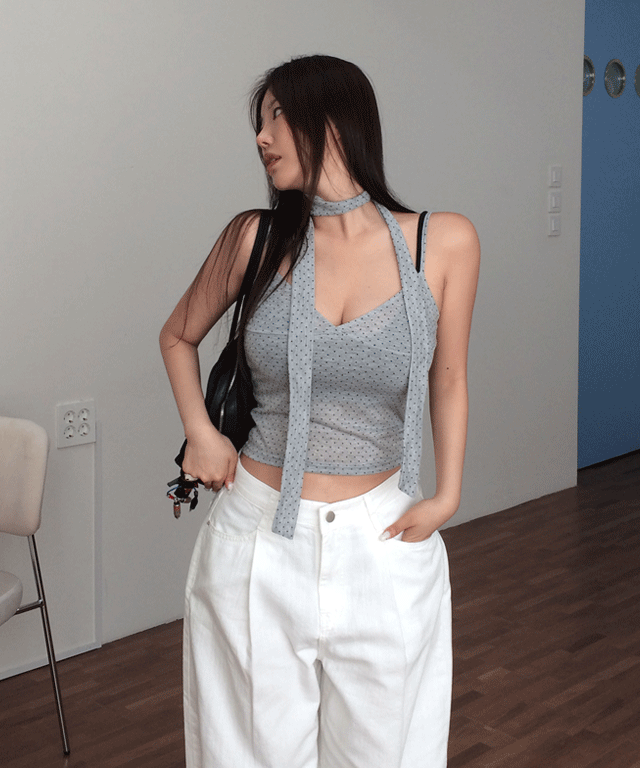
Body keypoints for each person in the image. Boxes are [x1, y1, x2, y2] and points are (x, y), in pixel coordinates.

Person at [160, 54, 479, 768]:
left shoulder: (443, 242)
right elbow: (176, 336)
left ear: (333, 121)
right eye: (259, 121)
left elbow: (450, 374)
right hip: (256, 536)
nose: (261, 136)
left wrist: (449, 494)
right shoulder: (253, 238)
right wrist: (200, 432)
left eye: (276, 116)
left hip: (383, 538)